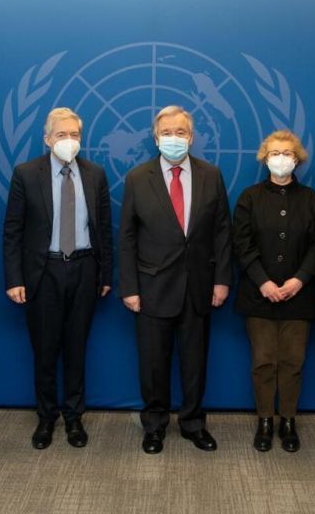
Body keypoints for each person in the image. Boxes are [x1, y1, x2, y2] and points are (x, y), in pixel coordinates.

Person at [119, 105, 232, 454]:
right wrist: (130, 288)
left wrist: (222, 280)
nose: (173, 138)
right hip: (152, 288)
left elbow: (222, 232)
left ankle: (193, 423)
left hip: (199, 287)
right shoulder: (138, 178)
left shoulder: (211, 174)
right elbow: (127, 237)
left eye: (180, 132)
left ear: (191, 137)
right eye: (166, 132)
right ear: (155, 138)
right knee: (153, 363)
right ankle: (154, 425)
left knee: (195, 361)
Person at [3, 108, 113, 449]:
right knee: (46, 350)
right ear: (47, 139)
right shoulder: (26, 173)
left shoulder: (95, 174)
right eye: (62, 135)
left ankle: (74, 417)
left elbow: (105, 230)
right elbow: (13, 231)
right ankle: (46, 418)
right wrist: (14, 278)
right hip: (43, 272)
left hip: (84, 269)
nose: (69, 142)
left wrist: (105, 273)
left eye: (75, 136)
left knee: (76, 348)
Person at [232, 130, 315, 452]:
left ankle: (288, 420)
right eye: (274, 153)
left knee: (292, 361)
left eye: (287, 153)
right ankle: (264, 420)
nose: (281, 159)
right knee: (263, 361)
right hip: (258, 294)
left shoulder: (313, 201)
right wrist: (264, 282)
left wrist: (300, 279)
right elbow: (242, 245)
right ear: (264, 158)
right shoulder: (249, 198)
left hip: (298, 295)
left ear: (297, 158)